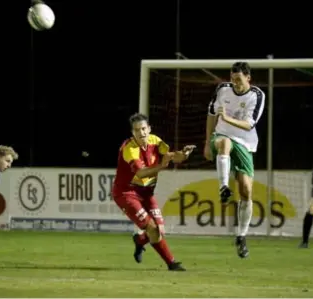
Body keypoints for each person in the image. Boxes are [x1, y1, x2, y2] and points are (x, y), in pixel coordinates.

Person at [112, 113, 195, 271]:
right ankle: (172, 263)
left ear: (149, 129)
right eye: (137, 130)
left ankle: (140, 240)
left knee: (160, 230)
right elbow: (142, 173)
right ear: (132, 133)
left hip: (146, 193)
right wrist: (161, 166)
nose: (141, 133)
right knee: (153, 229)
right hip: (126, 194)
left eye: (143, 129)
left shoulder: (155, 141)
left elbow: (170, 156)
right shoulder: (129, 149)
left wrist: (183, 155)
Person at [203, 61, 265, 258]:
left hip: (245, 143)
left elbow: (248, 125)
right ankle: (223, 187)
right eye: (232, 79)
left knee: (246, 190)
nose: (235, 83)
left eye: (238, 79)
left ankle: (241, 236)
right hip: (221, 136)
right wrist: (206, 142)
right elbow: (212, 114)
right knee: (224, 143)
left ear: (248, 78)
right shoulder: (222, 89)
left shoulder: (257, 95)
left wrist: (227, 118)